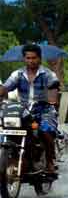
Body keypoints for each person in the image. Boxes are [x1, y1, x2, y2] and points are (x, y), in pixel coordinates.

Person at [0, 43, 60, 175]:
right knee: (8, 129)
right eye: (28, 58)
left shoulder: (48, 74)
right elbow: (6, 87)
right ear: (24, 59)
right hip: (23, 111)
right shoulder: (17, 74)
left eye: (34, 58)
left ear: (39, 58)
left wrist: (52, 99)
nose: (31, 61)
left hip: (44, 110)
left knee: (45, 131)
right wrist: (1, 91)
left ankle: (50, 161)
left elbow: (54, 89)